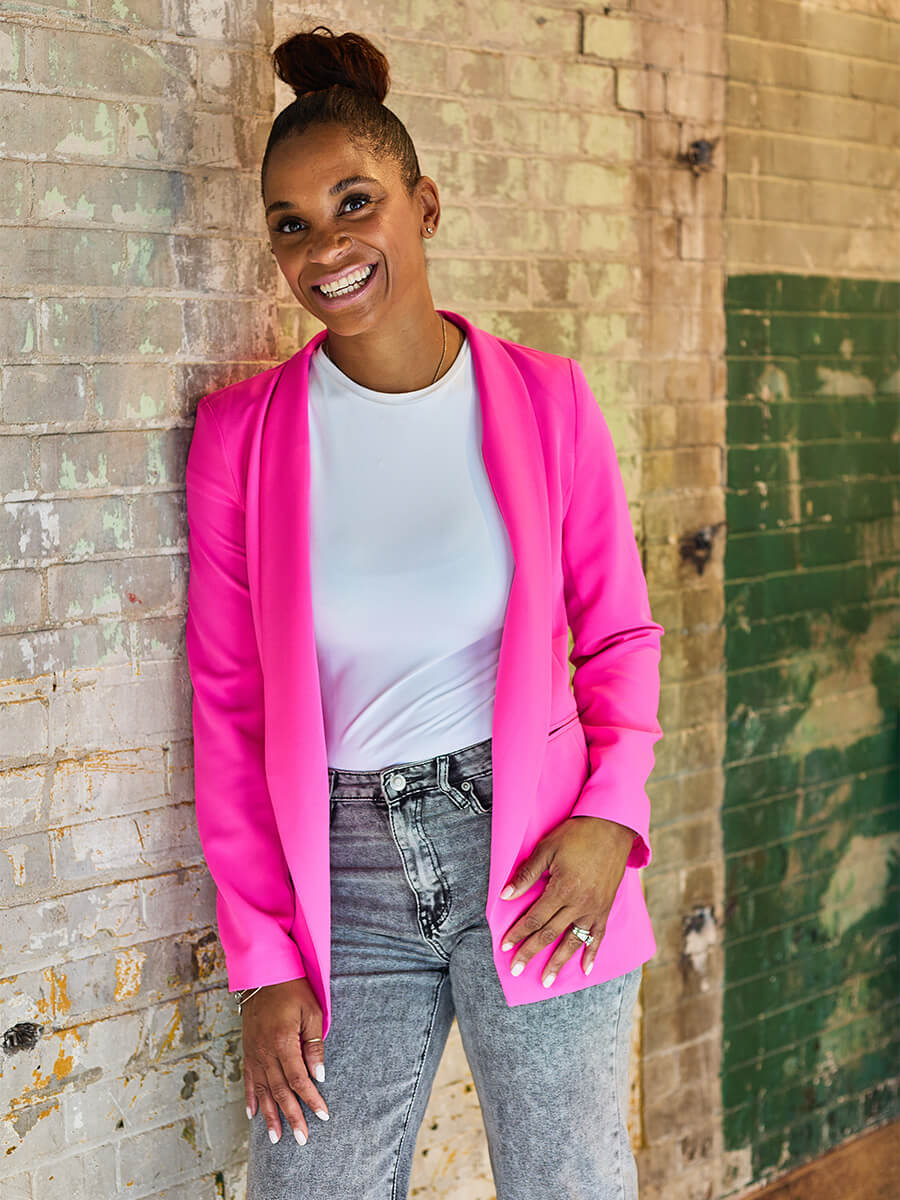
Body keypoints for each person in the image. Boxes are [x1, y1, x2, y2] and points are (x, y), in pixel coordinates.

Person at [184, 24, 665, 1200]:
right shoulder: (241, 441)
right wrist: (262, 963)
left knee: (571, 1183)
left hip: (538, 851)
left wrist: (613, 816)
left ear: (425, 204)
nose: (326, 246)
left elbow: (617, 634)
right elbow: (229, 709)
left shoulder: (545, 401)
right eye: (292, 223)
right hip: (338, 884)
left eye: (355, 203)